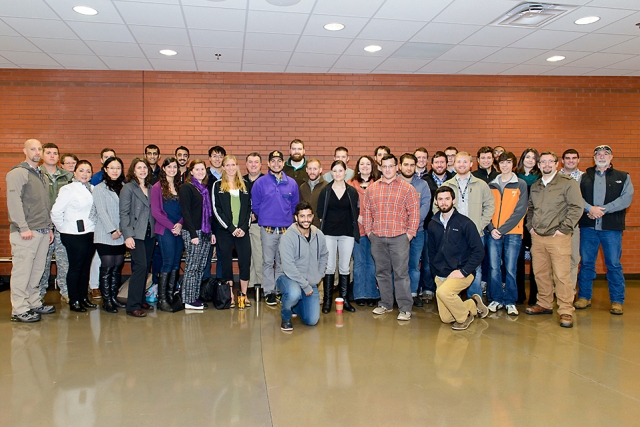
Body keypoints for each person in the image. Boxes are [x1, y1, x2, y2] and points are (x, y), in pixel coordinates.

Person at [525, 151, 582, 328]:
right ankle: (544, 303)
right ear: (539, 165)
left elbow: (576, 207)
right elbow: (531, 209)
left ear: (557, 164)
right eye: (543, 162)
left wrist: (563, 229)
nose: (547, 165)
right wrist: (530, 227)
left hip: (558, 237)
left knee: (562, 275)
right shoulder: (536, 185)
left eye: (550, 162)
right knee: (540, 273)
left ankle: (565, 310)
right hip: (538, 237)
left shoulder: (567, 183)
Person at [575, 145, 634, 315]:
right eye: (598, 154)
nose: (602, 156)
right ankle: (584, 297)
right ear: (594, 157)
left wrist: (603, 209)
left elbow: (626, 199)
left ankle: (617, 300)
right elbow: (577, 198)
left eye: (605, 154)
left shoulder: (623, 177)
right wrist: (589, 209)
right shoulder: (584, 177)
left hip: (611, 229)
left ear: (611, 156)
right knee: (586, 263)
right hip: (588, 227)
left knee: (613, 264)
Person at [363, 154, 419, 321]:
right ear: (380, 167)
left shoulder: (407, 188)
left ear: (397, 167)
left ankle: (404, 308)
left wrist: (409, 234)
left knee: (401, 273)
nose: (387, 169)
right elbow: (366, 213)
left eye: (391, 166)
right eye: (384, 166)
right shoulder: (372, 189)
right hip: (378, 238)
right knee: (382, 273)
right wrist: (369, 232)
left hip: (399, 238)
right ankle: (385, 304)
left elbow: (414, 214)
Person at [6, 139, 56, 322]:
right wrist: (23, 227)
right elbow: (14, 203)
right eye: (33, 149)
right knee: (22, 271)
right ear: (24, 151)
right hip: (25, 232)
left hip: (42, 230)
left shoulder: (41, 174)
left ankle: (34, 302)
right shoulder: (18, 173)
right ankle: (19, 309)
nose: (37, 152)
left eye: (39, 149)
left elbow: (43, 204)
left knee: (37, 270)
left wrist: (49, 228)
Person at [428, 186, 488, 330]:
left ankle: (466, 317)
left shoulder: (465, 223)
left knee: (444, 292)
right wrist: (436, 272)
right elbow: (431, 251)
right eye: (440, 199)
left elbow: (479, 251)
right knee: (446, 318)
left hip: (461, 272)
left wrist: (463, 271)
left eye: (447, 199)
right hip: (441, 273)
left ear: (453, 200)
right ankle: (472, 303)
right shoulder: (432, 224)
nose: (444, 202)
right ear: (436, 202)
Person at [440, 151, 495, 298]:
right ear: (454, 164)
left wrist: (480, 225)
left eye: (465, 162)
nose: (462, 164)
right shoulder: (447, 185)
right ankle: (454, 299)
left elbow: (490, 206)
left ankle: (475, 300)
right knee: (453, 266)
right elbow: (437, 207)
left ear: (471, 164)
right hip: (453, 235)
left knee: (474, 268)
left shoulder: (481, 185)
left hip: (476, 233)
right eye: (459, 162)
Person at [251, 150, 299, 306]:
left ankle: (278, 290)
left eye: (279, 161)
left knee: (282, 262)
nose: (276, 164)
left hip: (286, 230)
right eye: (273, 161)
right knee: (267, 261)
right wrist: (266, 218)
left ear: (283, 163)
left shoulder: (291, 183)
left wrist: (285, 218)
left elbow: (294, 206)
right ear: (269, 163)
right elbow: (256, 206)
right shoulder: (260, 183)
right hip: (268, 229)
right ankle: (269, 292)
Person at [51, 160, 97, 313]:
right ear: (75, 173)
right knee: (75, 267)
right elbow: (56, 212)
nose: (85, 174)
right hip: (73, 234)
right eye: (81, 170)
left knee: (85, 267)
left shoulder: (93, 188)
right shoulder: (68, 189)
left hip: (90, 233)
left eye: (88, 171)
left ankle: (84, 297)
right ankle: (74, 299)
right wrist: (63, 229)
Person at [486, 152, 528, 316]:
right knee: (494, 268)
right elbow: (487, 208)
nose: (505, 165)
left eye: (508, 162)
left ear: (514, 164)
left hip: (513, 233)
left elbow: (520, 211)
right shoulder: (491, 185)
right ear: (498, 165)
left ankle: (510, 301)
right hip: (493, 233)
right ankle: (496, 298)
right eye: (502, 163)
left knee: (510, 269)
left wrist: (501, 230)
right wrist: (491, 228)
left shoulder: (521, 184)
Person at [277, 202, 328, 332]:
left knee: (312, 320)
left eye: (308, 216)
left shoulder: (319, 235)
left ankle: (295, 305)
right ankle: (286, 316)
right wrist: (304, 286)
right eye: (302, 216)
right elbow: (288, 267)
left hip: (310, 281)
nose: (306, 220)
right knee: (294, 292)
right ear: (296, 218)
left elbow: (324, 255)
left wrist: (319, 274)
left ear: (312, 217)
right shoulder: (287, 237)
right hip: (288, 277)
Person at [317, 160, 359, 314]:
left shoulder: (352, 192)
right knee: (329, 266)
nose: (337, 174)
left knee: (344, 267)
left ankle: (344, 300)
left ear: (345, 172)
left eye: (340, 170)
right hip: (329, 233)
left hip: (347, 233)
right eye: (334, 171)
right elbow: (320, 212)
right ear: (331, 173)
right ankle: (327, 301)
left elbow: (355, 211)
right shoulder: (325, 190)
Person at [213, 155, 253, 309]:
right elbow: (217, 210)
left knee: (245, 262)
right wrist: (231, 228)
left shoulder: (246, 185)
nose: (230, 168)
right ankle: (229, 295)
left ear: (237, 166)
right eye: (227, 165)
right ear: (223, 167)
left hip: (243, 231)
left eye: (233, 165)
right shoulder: (217, 186)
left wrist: (243, 228)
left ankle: (243, 295)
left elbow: (249, 209)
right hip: (225, 231)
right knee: (226, 263)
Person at [120, 158, 156, 318]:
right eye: (139, 167)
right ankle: (132, 305)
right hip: (136, 234)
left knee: (145, 267)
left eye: (144, 167)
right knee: (140, 267)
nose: (142, 170)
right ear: (133, 171)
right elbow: (124, 213)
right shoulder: (128, 188)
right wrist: (128, 236)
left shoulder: (150, 188)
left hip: (149, 234)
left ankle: (141, 299)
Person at [179, 159, 216, 310]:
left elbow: (208, 214)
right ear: (191, 171)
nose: (201, 172)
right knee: (192, 267)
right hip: (193, 232)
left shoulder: (204, 189)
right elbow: (185, 212)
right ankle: (188, 299)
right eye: (197, 169)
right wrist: (193, 234)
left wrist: (211, 232)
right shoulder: (187, 188)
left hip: (206, 231)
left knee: (201, 267)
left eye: (203, 169)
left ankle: (194, 296)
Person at [38, 143, 73, 303]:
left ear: (59, 157)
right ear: (42, 155)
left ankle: (66, 292)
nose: (52, 156)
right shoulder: (36, 174)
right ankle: (39, 294)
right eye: (48, 153)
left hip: (63, 226)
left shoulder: (67, 176)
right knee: (42, 262)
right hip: (42, 226)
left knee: (64, 260)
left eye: (55, 153)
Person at [91, 156, 127, 313]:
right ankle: (107, 301)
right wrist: (112, 230)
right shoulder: (99, 188)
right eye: (112, 167)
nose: (115, 171)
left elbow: (126, 211)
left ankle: (114, 297)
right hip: (105, 234)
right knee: (107, 267)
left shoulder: (124, 187)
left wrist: (121, 229)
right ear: (105, 169)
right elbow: (101, 211)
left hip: (122, 233)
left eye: (118, 168)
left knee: (117, 266)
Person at [151, 157, 184, 312]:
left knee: (177, 264)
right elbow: (156, 212)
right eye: (169, 167)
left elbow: (186, 209)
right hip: (165, 230)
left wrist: (180, 224)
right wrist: (172, 227)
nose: (172, 169)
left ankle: (170, 296)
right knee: (167, 262)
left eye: (174, 167)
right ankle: (162, 299)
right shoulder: (157, 187)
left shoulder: (180, 186)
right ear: (163, 168)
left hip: (179, 229)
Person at [421, 151, 455, 303]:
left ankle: (447, 288)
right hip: (430, 226)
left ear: (446, 164)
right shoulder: (425, 180)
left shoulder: (453, 179)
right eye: (437, 162)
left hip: (450, 226)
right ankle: (428, 289)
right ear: (432, 164)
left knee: (448, 257)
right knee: (430, 258)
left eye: (442, 162)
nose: (439, 165)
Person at [398, 154, 430, 308]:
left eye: (412, 165)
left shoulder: (423, 185)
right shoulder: (394, 183)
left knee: (414, 265)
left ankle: (412, 294)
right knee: (397, 265)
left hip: (418, 232)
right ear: (400, 166)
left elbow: (425, 207)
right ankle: (398, 294)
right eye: (406, 164)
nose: (409, 168)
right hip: (397, 233)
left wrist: (412, 226)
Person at [349, 155, 380, 307]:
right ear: (358, 167)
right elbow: (346, 207)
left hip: (375, 231)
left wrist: (370, 219)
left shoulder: (379, 184)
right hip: (357, 230)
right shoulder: (350, 185)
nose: (365, 166)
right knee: (359, 263)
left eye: (368, 164)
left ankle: (373, 294)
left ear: (372, 166)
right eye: (362, 164)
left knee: (373, 263)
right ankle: (360, 294)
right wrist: (358, 217)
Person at [88, 147, 116, 299]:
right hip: (103, 228)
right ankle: (94, 286)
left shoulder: (121, 182)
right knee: (99, 259)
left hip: (119, 230)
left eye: (112, 157)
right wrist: (111, 229)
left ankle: (111, 292)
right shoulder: (96, 179)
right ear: (102, 161)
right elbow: (99, 209)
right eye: (106, 157)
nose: (109, 159)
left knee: (114, 263)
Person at [515, 148, 541, 305]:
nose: (530, 160)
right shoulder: (514, 177)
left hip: (535, 224)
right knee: (517, 261)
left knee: (536, 261)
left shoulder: (540, 179)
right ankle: (518, 295)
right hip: (517, 223)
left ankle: (535, 297)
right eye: (528, 157)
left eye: (533, 158)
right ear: (522, 159)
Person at [559, 148, 583, 290]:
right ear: (562, 161)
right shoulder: (555, 177)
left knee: (574, 258)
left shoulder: (584, 177)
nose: (571, 160)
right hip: (556, 224)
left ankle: (570, 291)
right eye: (567, 158)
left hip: (575, 224)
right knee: (556, 258)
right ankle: (557, 291)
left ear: (578, 160)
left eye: (574, 158)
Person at [244, 152, 264, 291]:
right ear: (246, 165)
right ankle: (250, 284)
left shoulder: (266, 180)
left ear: (261, 164)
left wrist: (256, 214)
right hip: (243, 224)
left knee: (259, 254)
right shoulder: (241, 181)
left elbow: (270, 202)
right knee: (247, 255)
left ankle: (262, 284)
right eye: (250, 162)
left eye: (256, 162)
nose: (253, 165)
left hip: (259, 224)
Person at [299, 158, 328, 228]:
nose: (312, 172)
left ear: (320, 170)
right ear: (306, 170)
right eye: (310, 169)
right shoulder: (302, 187)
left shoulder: (327, 187)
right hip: (305, 226)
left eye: (315, 169)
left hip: (322, 227)